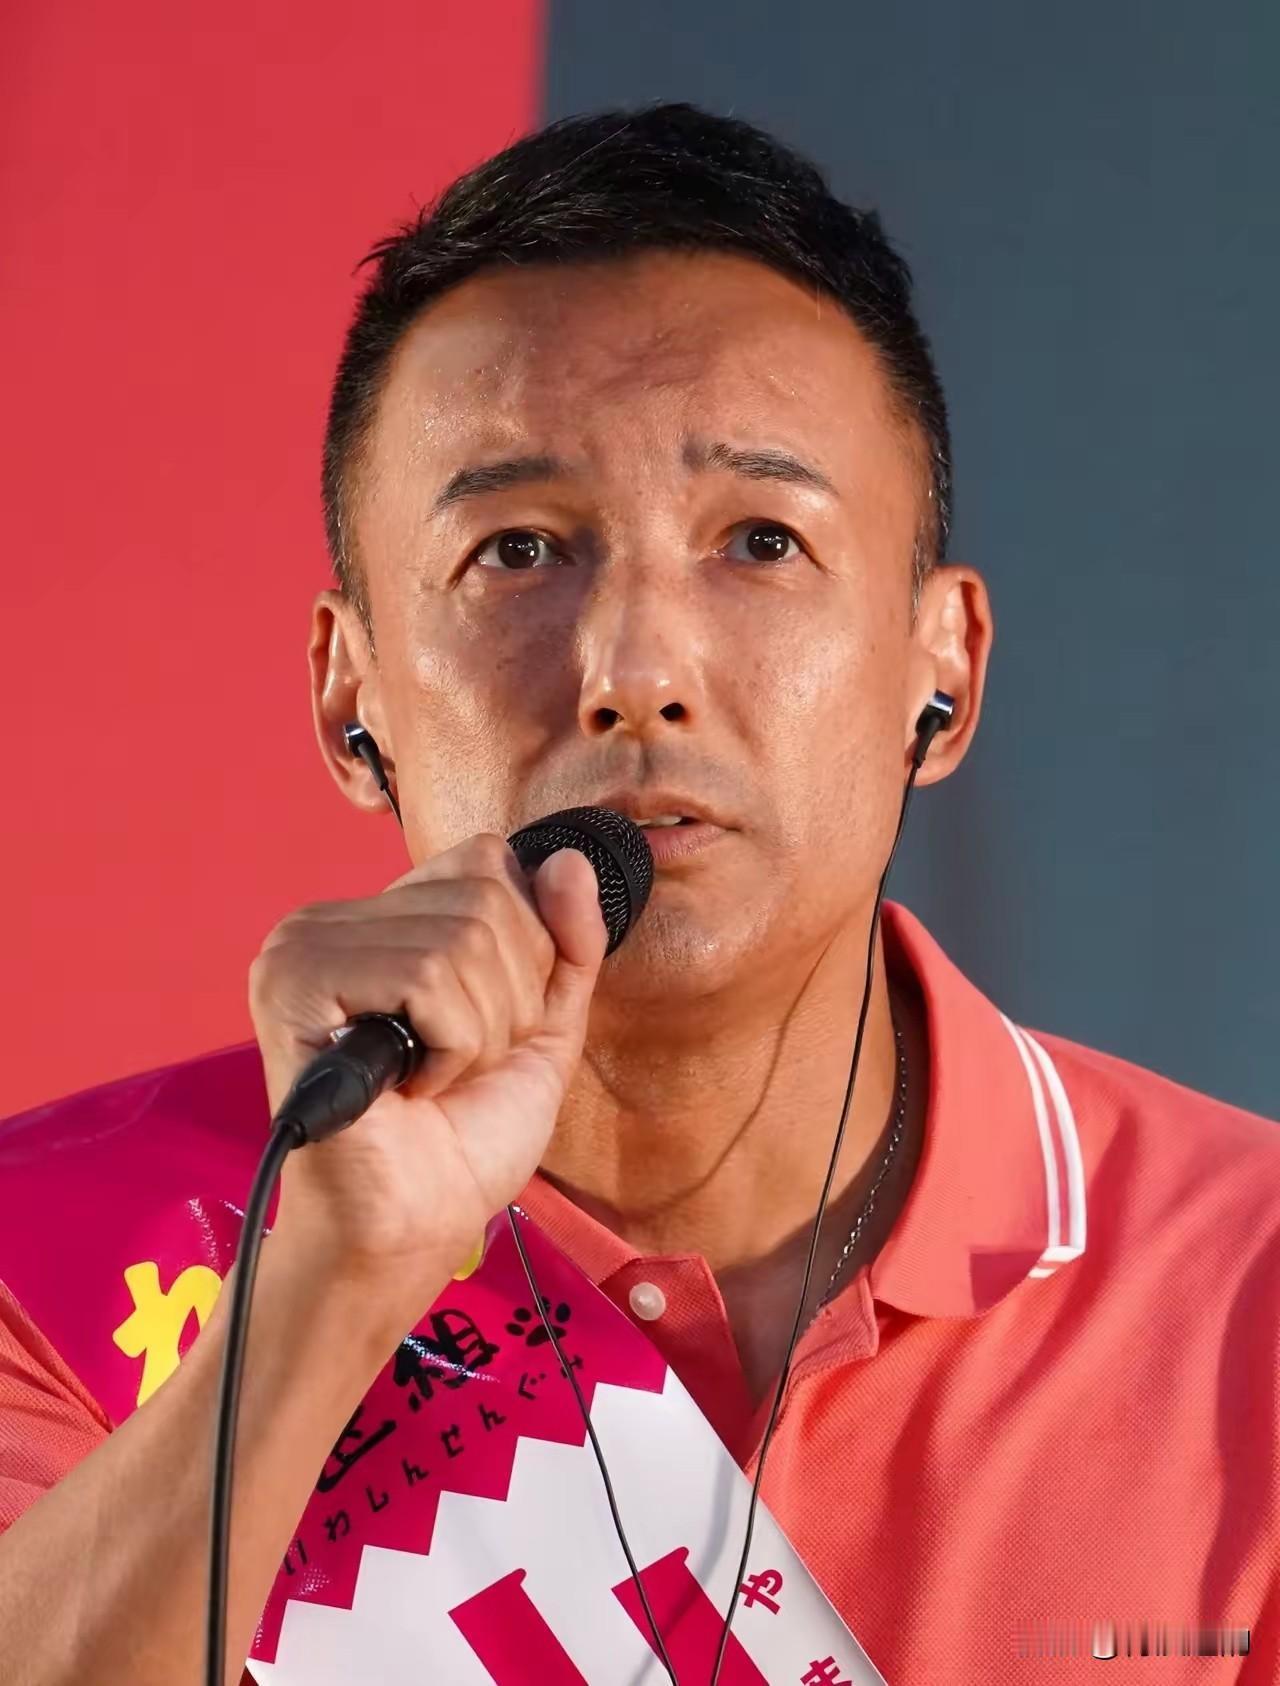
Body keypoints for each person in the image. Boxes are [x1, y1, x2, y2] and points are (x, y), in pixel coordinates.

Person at [0, 102, 1275, 1686]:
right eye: (518, 550)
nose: (637, 669)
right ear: (350, 696)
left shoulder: (1251, 1286)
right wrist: (325, 1289)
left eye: (762, 540)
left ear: (939, 672)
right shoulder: (43, 1261)